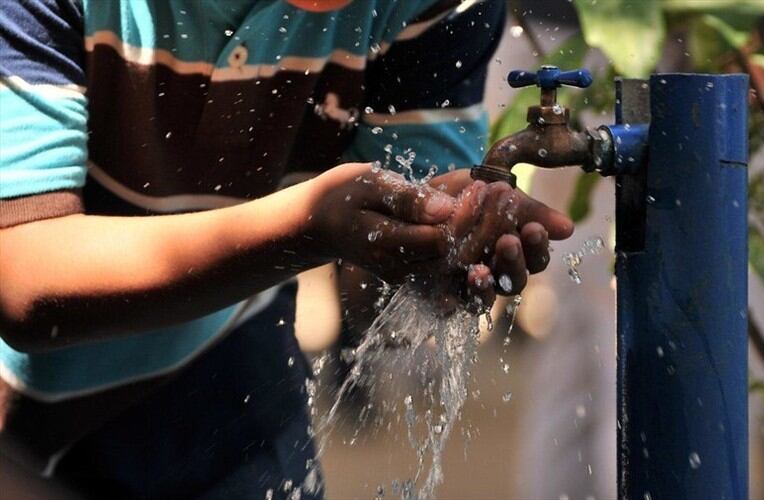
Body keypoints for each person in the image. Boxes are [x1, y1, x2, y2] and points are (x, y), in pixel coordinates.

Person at [0, 0, 573, 498]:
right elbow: (24, 275)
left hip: (227, 380)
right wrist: (304, 229)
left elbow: (377, 287)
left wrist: (437, 247)